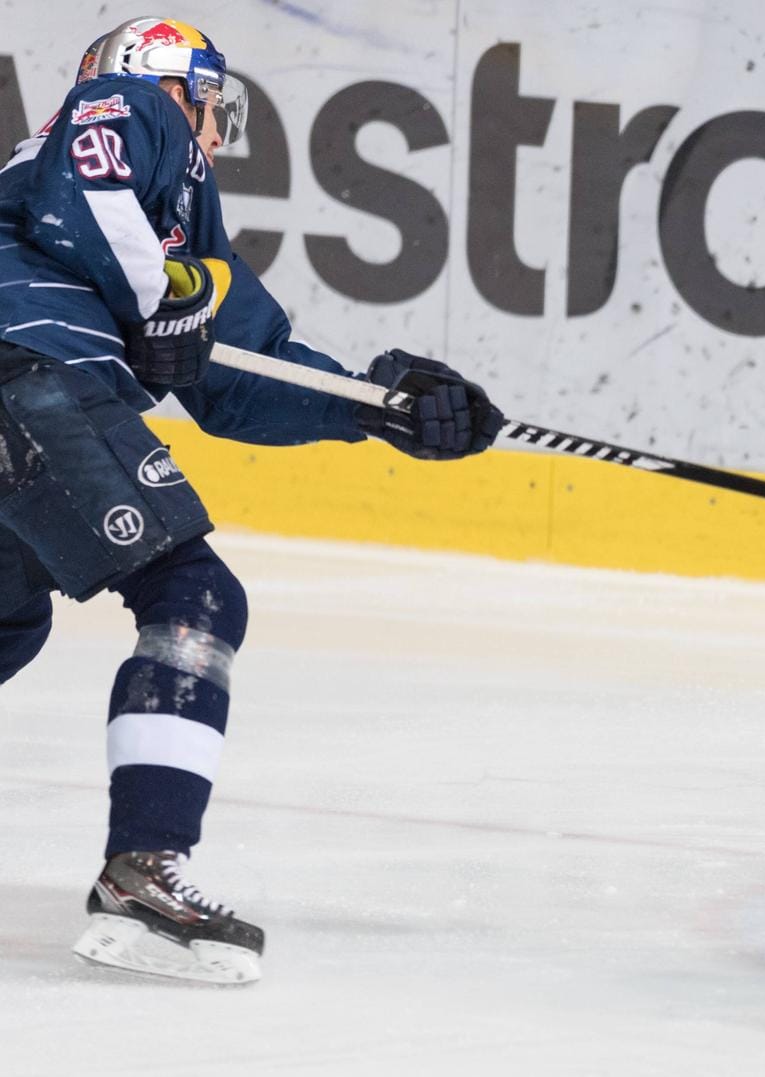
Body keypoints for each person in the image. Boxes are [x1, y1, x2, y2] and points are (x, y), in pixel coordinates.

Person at [0, 17, 503, 984]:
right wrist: (162, 293)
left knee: (10, 618)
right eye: (211, 99)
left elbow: (242, 377)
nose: (216, 128)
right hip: (27, 368)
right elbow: (92, 198)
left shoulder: (182, 219)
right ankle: (141, 877)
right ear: (172, 84)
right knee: (193, 596)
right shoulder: (129, 112)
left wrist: (380, 405)